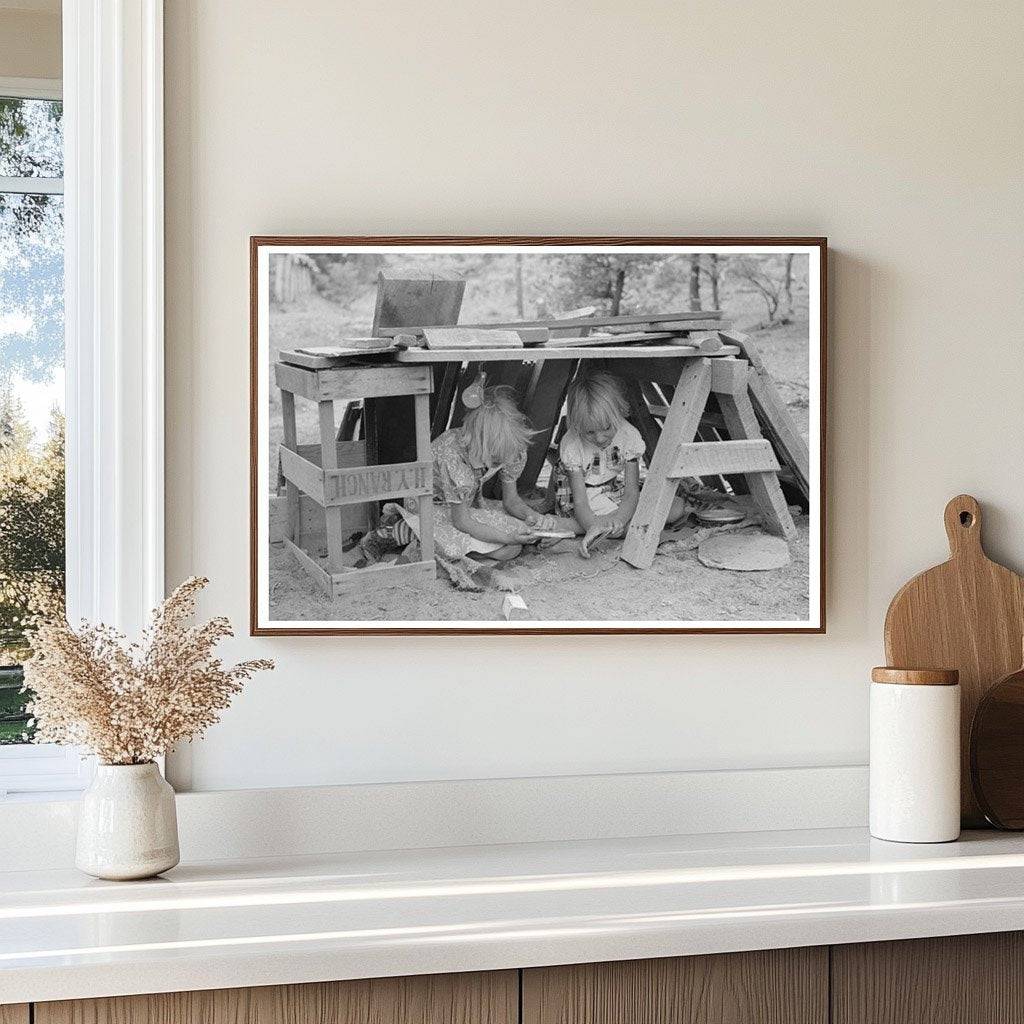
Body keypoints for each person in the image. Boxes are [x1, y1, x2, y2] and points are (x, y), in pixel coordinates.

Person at [400, 386, 558, 563]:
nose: (500, 464)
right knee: (511, 545)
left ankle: (477, 547)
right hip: (427, 505)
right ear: (479, 445)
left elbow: (511, 501)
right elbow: (461, 521)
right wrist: (508, 538)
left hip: (466, 504)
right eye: (495, 460)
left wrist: (536, 518)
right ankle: (416, 534)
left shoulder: (511, 448)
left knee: (521, 529)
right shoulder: (453, 457)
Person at [553, 372, 647, 558]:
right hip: (582, 497)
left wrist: (619, 520)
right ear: (577, 425)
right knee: (642, 522)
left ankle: (574, 527)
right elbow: (580, 501)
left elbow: (631, 493)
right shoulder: (573, 444)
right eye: (590, 432)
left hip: (611, 489)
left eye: (606, 428)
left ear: (618, 413)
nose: (599, 438)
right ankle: (594, 527)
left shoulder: (629, 436)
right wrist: (592, 527)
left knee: (675, 507)